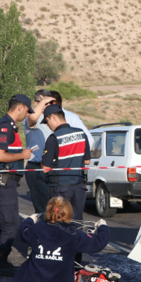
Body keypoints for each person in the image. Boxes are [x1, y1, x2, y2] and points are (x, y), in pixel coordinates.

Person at [10, 197, 109, 282]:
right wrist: (103, 227)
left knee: (29, 266)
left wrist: (30, 219)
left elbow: (22, 232)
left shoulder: (37, 229)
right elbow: (98, 242)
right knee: (64, 274)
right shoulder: (72, 234)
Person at [0, 94, 34, 276]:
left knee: (3, 223)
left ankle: (0, 262)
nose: (27, 115)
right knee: (10, 225)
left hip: (5, 181)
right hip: (4, 181)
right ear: (20, 107)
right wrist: (22, 155)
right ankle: (0, 264)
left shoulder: (8, 126)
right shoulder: (5, 127)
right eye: (27, 111)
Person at [41, 104, 91, 262]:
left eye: (47, 122)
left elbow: (45, 168)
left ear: (53, 118)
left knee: (59, 222)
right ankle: (76, 261)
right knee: (77, 223)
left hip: (60, 187)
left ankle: (61, 259)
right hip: (79, 186)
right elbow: (87, 161)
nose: (47, 125)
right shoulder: (81, 133)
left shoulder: (54, 138)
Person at [22, 90, 56, 213]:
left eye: (50, 103)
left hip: (52, 166)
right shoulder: (30, 118)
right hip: (37, 167)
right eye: (46, 103)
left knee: (55, 205)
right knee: (43, 207)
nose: (48, 105)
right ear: (36, 103)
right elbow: (33, 117)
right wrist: (43, 102)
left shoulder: (51, 118)